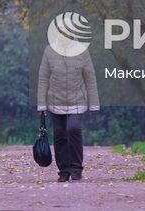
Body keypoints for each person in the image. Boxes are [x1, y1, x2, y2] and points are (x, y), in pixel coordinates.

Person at [36, 20, 100, 182]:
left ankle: (76, 168)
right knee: (59, 135)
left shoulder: (82, 51)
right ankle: (64, 170)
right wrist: (41, 104)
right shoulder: (49, 51)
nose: (64, 35)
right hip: (54, 101)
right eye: (61, 32)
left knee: (73, 129)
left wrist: (94, 103)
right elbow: (43, 78)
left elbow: (90, 79)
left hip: (77, 100)